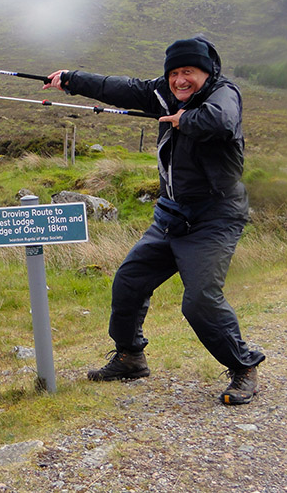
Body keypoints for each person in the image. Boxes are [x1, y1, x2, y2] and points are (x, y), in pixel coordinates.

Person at [43, 37, 265, 405]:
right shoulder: (162, 94)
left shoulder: (224, 93)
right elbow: (118, 87)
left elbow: (222, 120)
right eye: (174, 73)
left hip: (215, 216)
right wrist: (71, 79)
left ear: (207, 73)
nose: (180, 80)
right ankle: (130, 357)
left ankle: (243, 366)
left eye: (188, 73)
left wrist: (186, 120)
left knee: (200, 302)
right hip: (171, 214)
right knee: (129, 281)